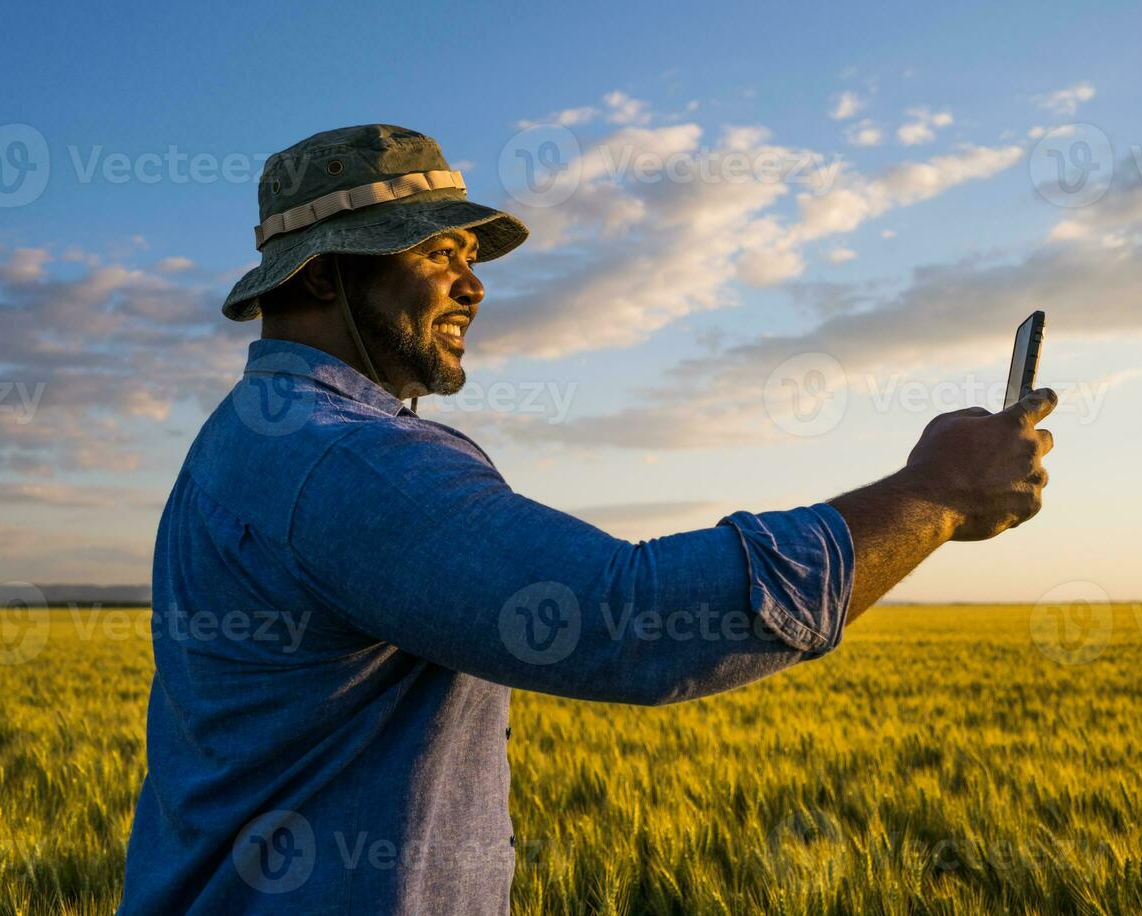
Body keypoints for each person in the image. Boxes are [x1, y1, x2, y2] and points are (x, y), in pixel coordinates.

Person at [118, 124, 1055, 915]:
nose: (473, 284)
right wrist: (933, 495)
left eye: (472, 257)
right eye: (435, 251)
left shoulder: (246, 439)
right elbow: (626, 621)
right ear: (323, 274)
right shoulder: (345, 458)